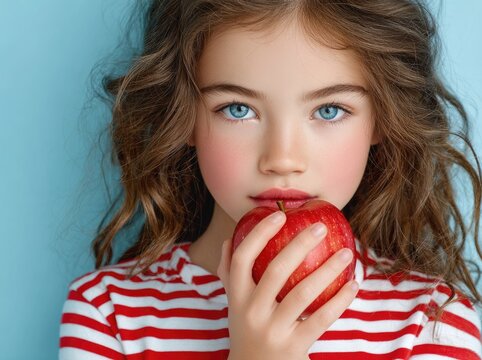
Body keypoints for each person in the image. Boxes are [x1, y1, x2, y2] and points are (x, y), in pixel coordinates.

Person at [59, 0, 482, 359]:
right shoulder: (108, 313)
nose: (282, 159)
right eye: (238, 109)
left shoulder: (431, 321)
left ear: (381, 121)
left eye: (329, 110)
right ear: (182, 117)